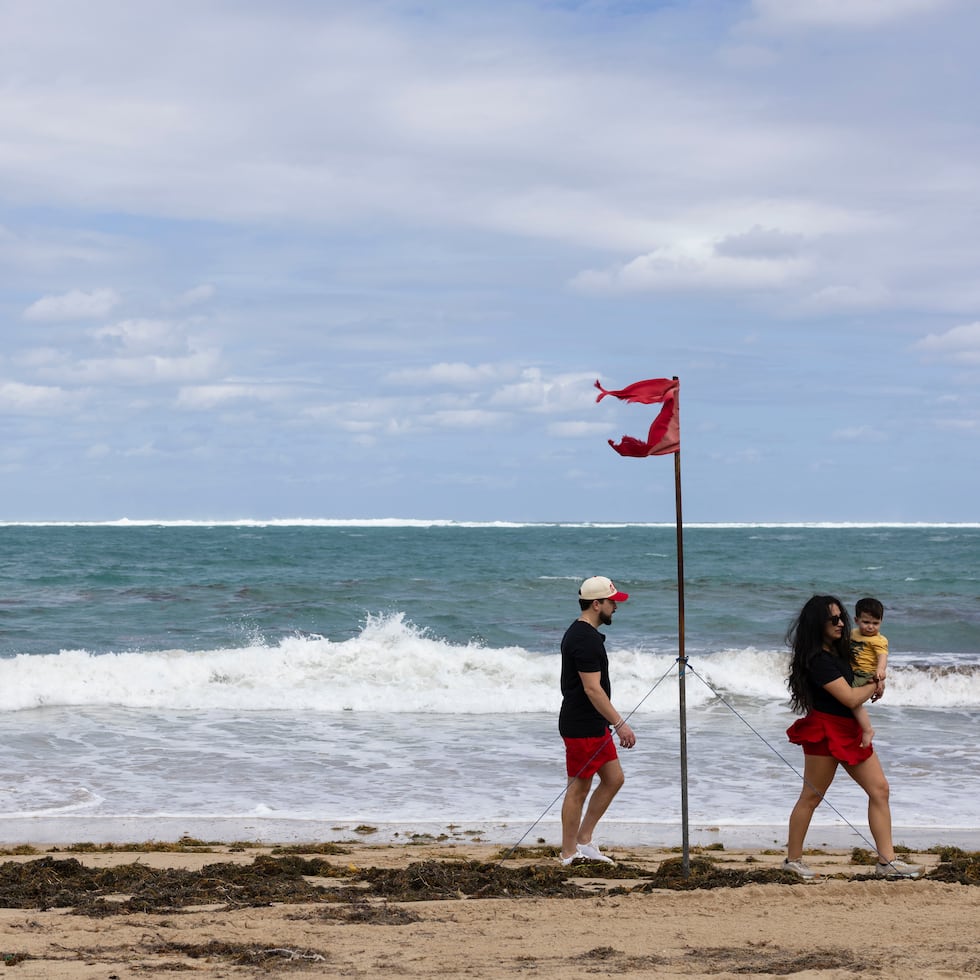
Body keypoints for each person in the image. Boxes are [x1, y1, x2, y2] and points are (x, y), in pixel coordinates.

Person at [783, 594, 921, 879]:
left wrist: (876, 677)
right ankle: (793, 861)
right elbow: (848, 697)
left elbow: (868, 668)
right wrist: (875, 685)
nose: (840, 622)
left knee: (879, 790)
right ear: (817, 623)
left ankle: (887, 862)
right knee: (811, 796)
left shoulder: (839, 652)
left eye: (841, 617)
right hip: (825, 730)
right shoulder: (818, 660)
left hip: (850, 730)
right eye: (833, 619)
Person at [558, 575, 636, 866]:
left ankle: (584, 839)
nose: (615, 607)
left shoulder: (586, 635)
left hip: (593, 724)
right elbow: (592, 688)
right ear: (596, 604)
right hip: (581, 725)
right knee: (577, 788)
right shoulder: (584, 640)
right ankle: (568, 853)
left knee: (614, 779)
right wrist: (619, 723)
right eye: (612, 602)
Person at [850, 597, 889, 748]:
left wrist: (880, 671)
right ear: (856, 620)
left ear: (881, 622)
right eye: (866, 622)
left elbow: (882, 656)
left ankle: (867, 730)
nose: (871, 627)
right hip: (853, 670)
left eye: (875, 623)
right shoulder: (853, 634)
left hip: (865, 674)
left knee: (852, 700)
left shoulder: (879, 640)